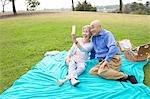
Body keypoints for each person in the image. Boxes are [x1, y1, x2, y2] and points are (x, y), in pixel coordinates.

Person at [89, 20, 138, 84]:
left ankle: (127, 76)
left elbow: (113, 48)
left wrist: (106, 61)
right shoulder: (94, 38)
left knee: (101, 72)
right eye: (90, 28)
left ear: (99, 27)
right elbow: (93, 50)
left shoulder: (107, 34)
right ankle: (114, 74)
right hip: (103, 60)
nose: (91, 30)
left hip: (113, 58)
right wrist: (91, 59)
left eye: (93, 27)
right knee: (92, 71)